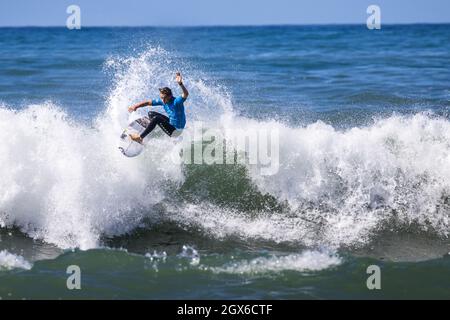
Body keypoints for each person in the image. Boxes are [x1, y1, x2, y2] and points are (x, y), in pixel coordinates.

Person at [127, 72, 189, 143]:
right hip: (171, 124)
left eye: (164, 98)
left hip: (176, 131)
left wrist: (181, 84)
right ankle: (151, 128)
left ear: (169, 96)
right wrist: (136, 106)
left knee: (156, 118)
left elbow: (186, 94)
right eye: (161, 98)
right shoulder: (163, 101)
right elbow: (148, 103)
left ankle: (140, 138)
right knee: (151, 113)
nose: (162, 100)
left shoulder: (177, 102)